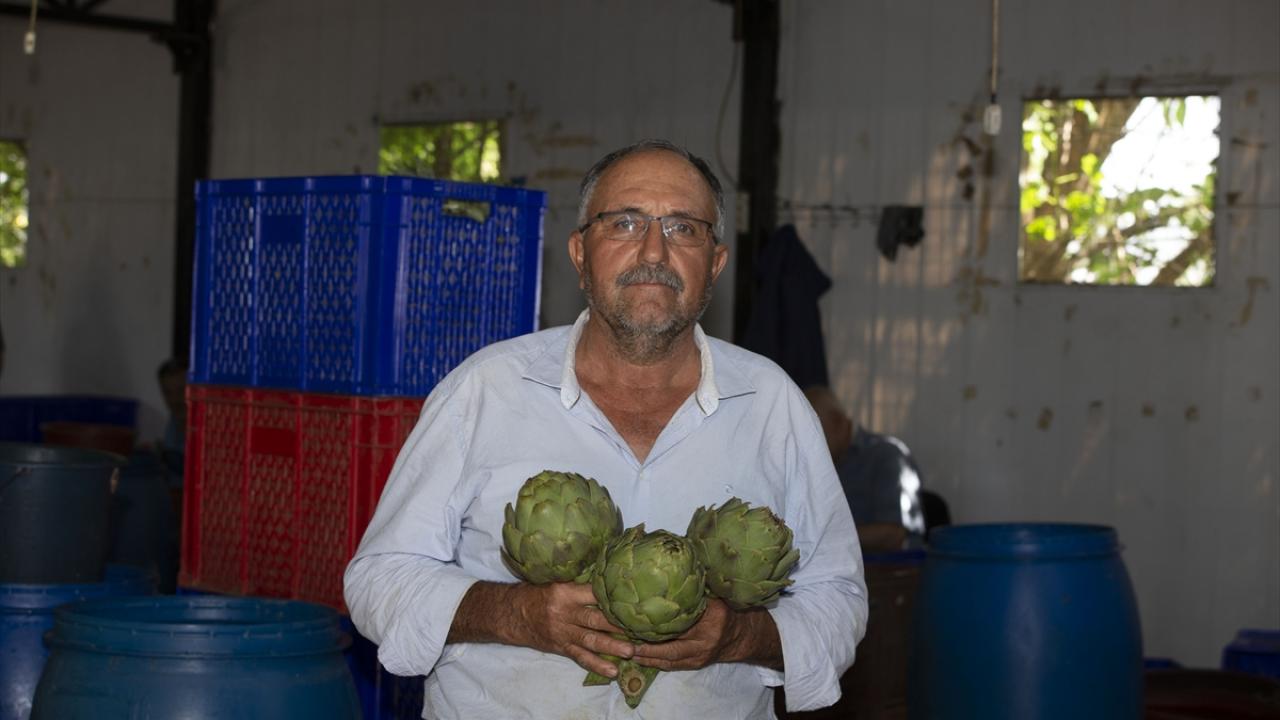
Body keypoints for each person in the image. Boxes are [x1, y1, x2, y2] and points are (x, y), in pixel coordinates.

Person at [345, 140, 868, 718]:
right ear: (580, 252)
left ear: (715, 262)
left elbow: (838, 601)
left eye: (683, 229)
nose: (653, 251)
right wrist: (514, 614)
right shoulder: (485, 391)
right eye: (623, 223)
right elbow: (378, 580)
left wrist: (740, 637)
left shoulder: (773, 405)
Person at [803, 386, 930, 552]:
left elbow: (893, 535)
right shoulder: (821, 464)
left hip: (891, 571)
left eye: (813, 434)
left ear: (837, 422)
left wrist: (823, 538)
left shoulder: (887, 456)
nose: (807, 445)